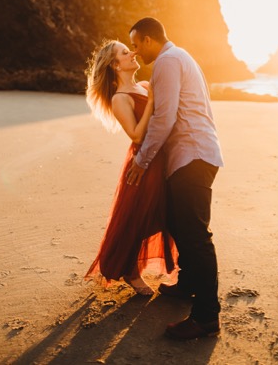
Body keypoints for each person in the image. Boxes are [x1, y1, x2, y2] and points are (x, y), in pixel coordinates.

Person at [125, 17, 225, 340]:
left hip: (193, 155)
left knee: (195, 235)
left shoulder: (167, 62)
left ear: (151, 39)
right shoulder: (180, 57)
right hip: (194, 155)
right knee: (177, 222)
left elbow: (164, 117)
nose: (135, 51)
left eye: (137, 43)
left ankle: (207, 317)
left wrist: (142, 160)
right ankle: (189, 284)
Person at [84, 40, 178, 296]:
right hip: (142, 163)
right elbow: (136, 135)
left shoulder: (146, 86)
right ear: (115, 65)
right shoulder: (120, 98)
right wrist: (151, 103)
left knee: (164, 214)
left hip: (162, 158)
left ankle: (180, 271)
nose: (133, 53)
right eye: (125, 53)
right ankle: (129, 270)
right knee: (138, 217)